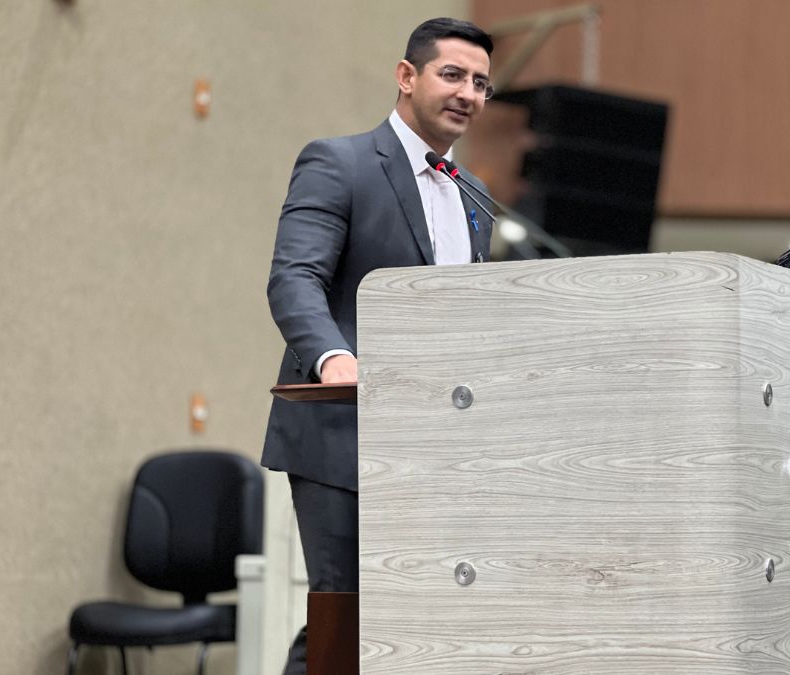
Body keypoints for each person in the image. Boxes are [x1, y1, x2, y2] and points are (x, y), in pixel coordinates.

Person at [261, 17, 495, 674]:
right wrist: (334, 357)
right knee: (345, 617)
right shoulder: (339, 163)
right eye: (453, 74)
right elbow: (295, 278)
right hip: (346, 432)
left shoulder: (475, 195)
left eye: (481, 83)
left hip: (437, 446)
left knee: (408, 620)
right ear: (406, 76)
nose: (468, 93)